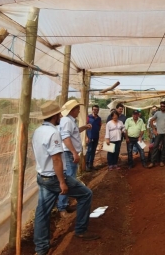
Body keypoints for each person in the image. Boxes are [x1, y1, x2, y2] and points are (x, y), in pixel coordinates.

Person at [33, 101, 99, 255]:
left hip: (42, 176)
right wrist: (62, 182)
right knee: (86, 194)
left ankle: (41, 248)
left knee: (42, 212)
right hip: (54, 177)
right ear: (55, 115)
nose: (60, 115)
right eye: (59, 114)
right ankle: (81, 230)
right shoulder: (53, 133)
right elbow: (56, 159)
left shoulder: (38, 131)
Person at [57, 100, 92, 218]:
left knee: (70, 178)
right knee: (69, 179)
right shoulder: (67, 121)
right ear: (72, 110)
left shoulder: (70, 121)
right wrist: (74, 153)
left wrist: (84, 127)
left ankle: (65, 204)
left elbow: (74, 132)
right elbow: (65, 137)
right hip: (69, 153)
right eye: (77, 109)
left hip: (70, 153)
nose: (79, 111)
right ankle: (62, 207)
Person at [148, 100, 165, 168]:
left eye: (163, 106)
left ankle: (162, 161)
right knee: (155, 146)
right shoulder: (157, 113)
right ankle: (153, 162)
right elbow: (151, 121)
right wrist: (154, 129)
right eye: (161, 106)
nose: (162, 107)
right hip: (158, 133)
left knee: (164, 147)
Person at [85, 105, 102, 172]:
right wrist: (86, 137)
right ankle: (87, 164)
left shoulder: (99, 118)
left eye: (97, 110)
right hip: (90, 136)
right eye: (94, 109)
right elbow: (85, 127)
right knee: (89, 150)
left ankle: (91, 165)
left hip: (96, 136)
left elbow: (99, 127)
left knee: (93, 151)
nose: (96, 111)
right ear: (92, 110)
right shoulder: (88, 117)